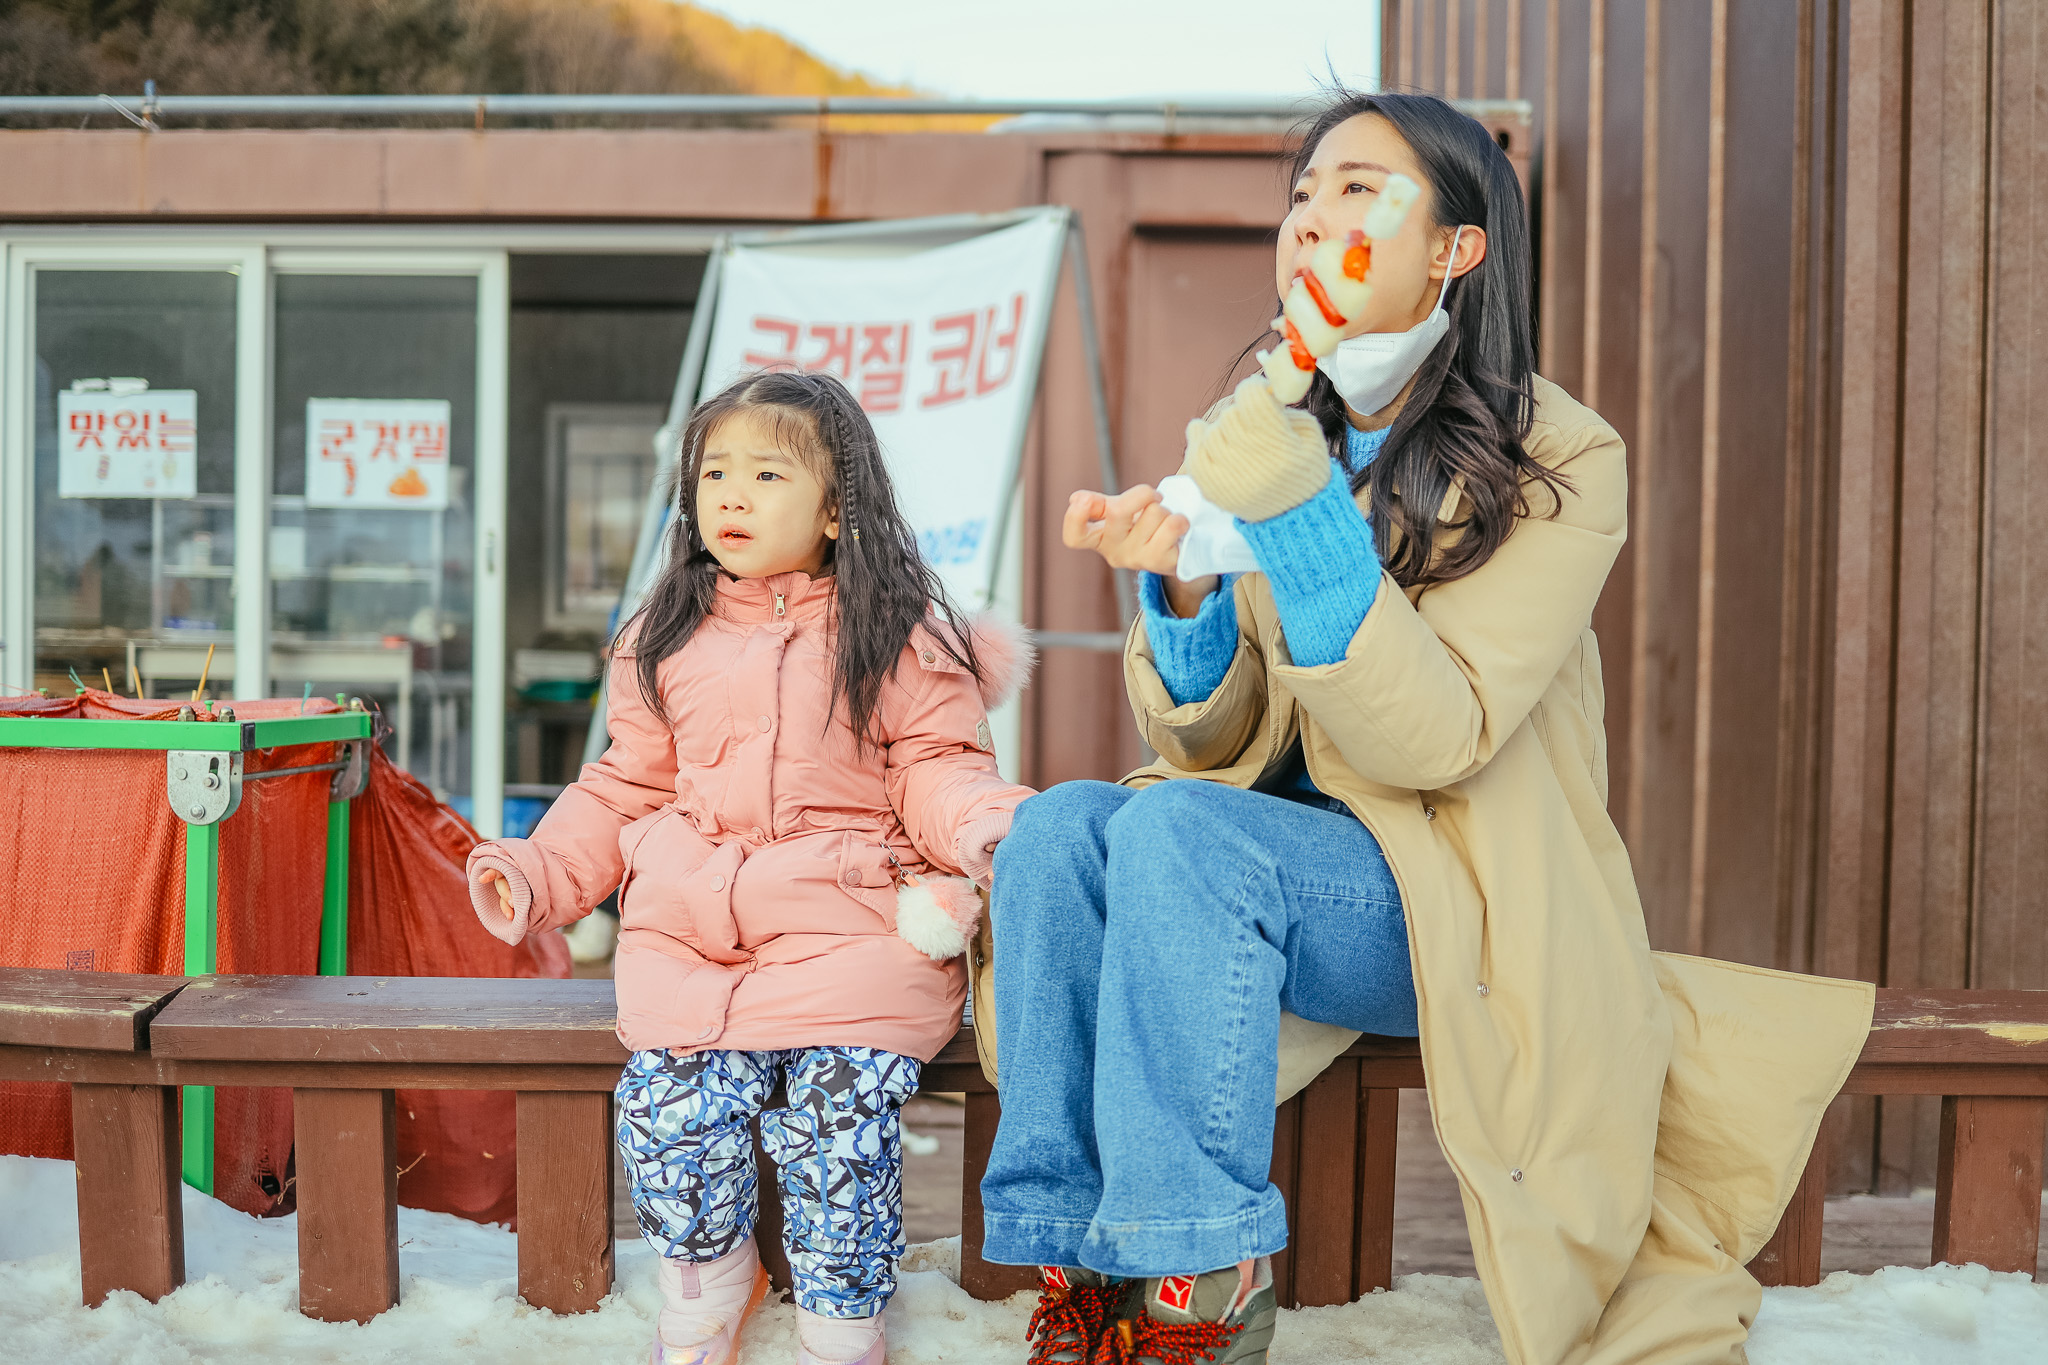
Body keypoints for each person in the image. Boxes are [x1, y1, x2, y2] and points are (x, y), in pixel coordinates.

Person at [981, 90, 1873, 1365]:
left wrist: (1293, 520)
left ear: (1455, 246)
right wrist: (1180, 586)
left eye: (1355, 190)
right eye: (1299, 195)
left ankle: (1202, 1276)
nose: (1308, 220)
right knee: (1060, 827)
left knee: (1177, 832)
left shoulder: (1557, 455)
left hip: (1446, 893)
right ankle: (1084, 1258)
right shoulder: (1283, 427)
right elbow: (1209, 744)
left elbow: (1435, 739)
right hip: (1257, 865)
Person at [467, 370, 1033, 1365]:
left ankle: (842, 1315)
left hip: (850, 933)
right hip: (692, 940)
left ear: (835, 504)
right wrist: (543, 867)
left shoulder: (898, 638)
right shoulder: (664, 637)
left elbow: (941, 768)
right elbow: (624, 785)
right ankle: (709, 1273)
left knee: (835, 1121)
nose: (729, 494)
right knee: (668, 1110)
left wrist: (989, 831)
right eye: (713, 472)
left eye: (766, 473)